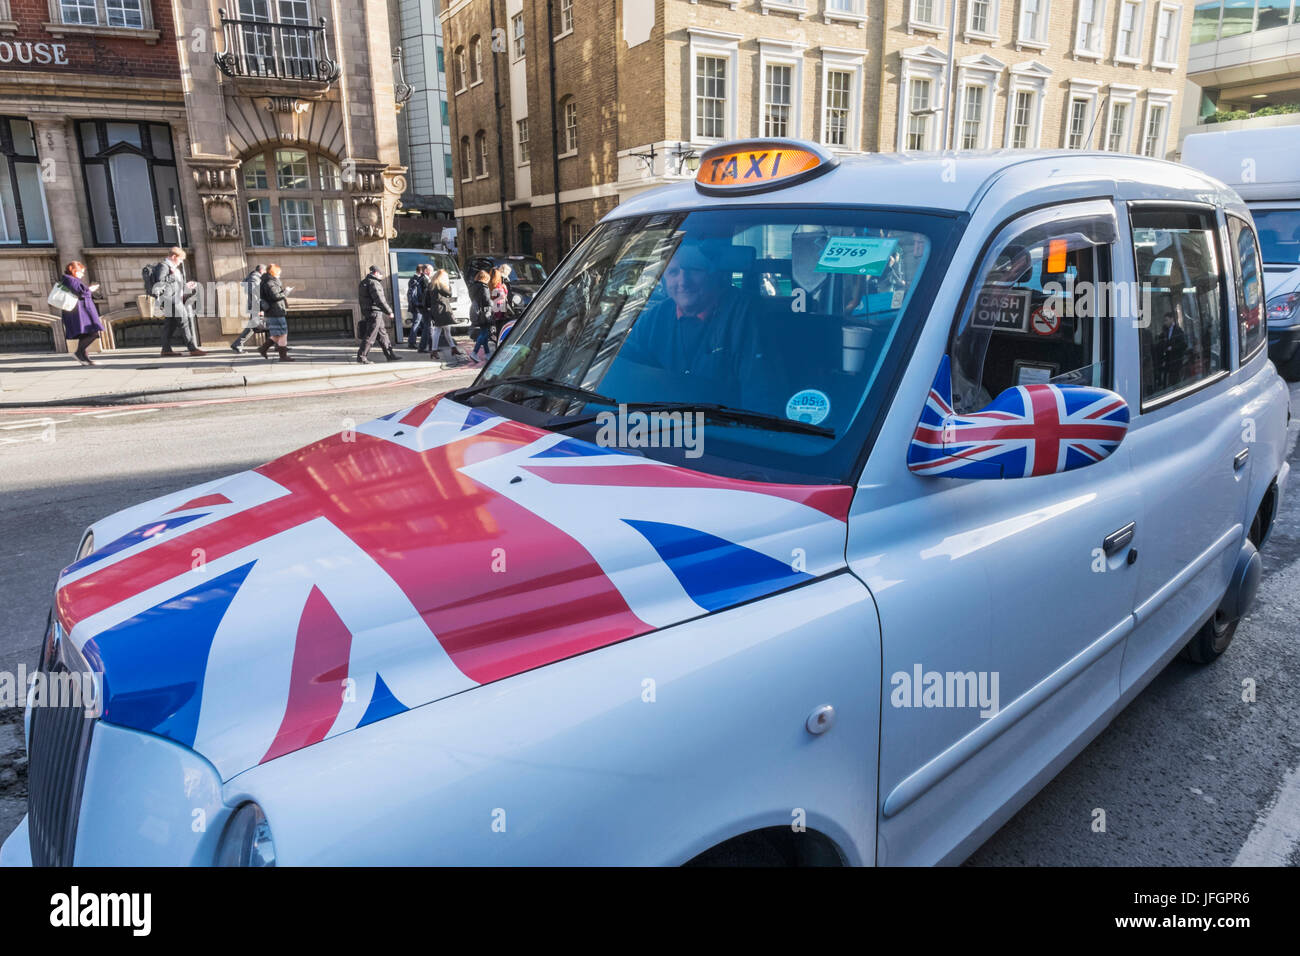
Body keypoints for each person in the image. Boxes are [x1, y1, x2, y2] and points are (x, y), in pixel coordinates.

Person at [152, 246, 205, 357]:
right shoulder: (164, 266)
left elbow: (174, 284)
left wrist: (185, 285)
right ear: (174, 256)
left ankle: (166, 349)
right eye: (180, 259)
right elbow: (160, 281)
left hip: (173, 298)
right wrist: (172, 275)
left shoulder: (173, 268)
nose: (181, 262)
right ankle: (192, 348)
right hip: (170, 299)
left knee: (170, 325)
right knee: (184, 321)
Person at [59, 261, 105, 367]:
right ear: (74, 270)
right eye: (81, 272)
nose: (82, 274)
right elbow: (82, 293)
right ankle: (78, 353)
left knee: (86, 334)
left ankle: (85, 358)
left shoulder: (70, 279)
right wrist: (91, 289)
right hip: (80, 312)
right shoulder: (69, 279)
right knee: (93, 333)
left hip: (81, 311)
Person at [425, 268, 471, 367]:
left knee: (446, 330)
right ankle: (434, 351)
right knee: (438, 330)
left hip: (436, 309)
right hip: (442, 310)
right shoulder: (440, 285)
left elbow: (426, 299)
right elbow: (449, 294)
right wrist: (449, 285)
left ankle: (453, 348)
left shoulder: (431, 284)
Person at [357, 265, 403, 364]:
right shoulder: (374, 283)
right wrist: (389, 311)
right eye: (381, 274)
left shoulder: (364, 282)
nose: (381, 277)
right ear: (376, 273)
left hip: (370, 311)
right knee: (371, 335)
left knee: (383, 335)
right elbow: (379, 300)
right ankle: (361, 356)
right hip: (375, 312)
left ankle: (390, 355)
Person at [259, 263, 293, 362]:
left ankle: (263, 349)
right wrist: (286, 292)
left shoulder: (269, 282)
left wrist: (283, 291)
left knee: (279, 334)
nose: (279, 274)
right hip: (275, 311)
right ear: (274, 272)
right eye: (278, 273)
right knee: (282, 333)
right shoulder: (270, 282)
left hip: (275, 311)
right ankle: (282, 356)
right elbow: (275, 297)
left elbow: (274, 295)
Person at [230, 264, 266, 353]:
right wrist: (259, 308)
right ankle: (279, 345)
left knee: (252, 327)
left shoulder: (254, 278)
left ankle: (237, 344)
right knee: (265, 325)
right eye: (265, 272)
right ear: (261, 270)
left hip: (256, 306)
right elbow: (255, 294)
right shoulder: (254, 278)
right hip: (256, 306)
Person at [468, 268, 494, 362]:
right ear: (485, 278)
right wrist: (493, 303)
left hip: (475, 311)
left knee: (484, 333)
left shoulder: (473, 286)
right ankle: (474, 352)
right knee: (484, 333)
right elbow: (487, 300)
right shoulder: (484, 287)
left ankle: (487, 353)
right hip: (484, 312)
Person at [406, 264, 430, 350]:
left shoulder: (414, 279)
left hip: (417, 305)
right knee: (416, 323)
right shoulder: (415, 280)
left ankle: (423, 342)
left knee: (422, 324)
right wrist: (418, 304)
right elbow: (414, 295)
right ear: (421, 271)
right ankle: (411, 342)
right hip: (417, 306)